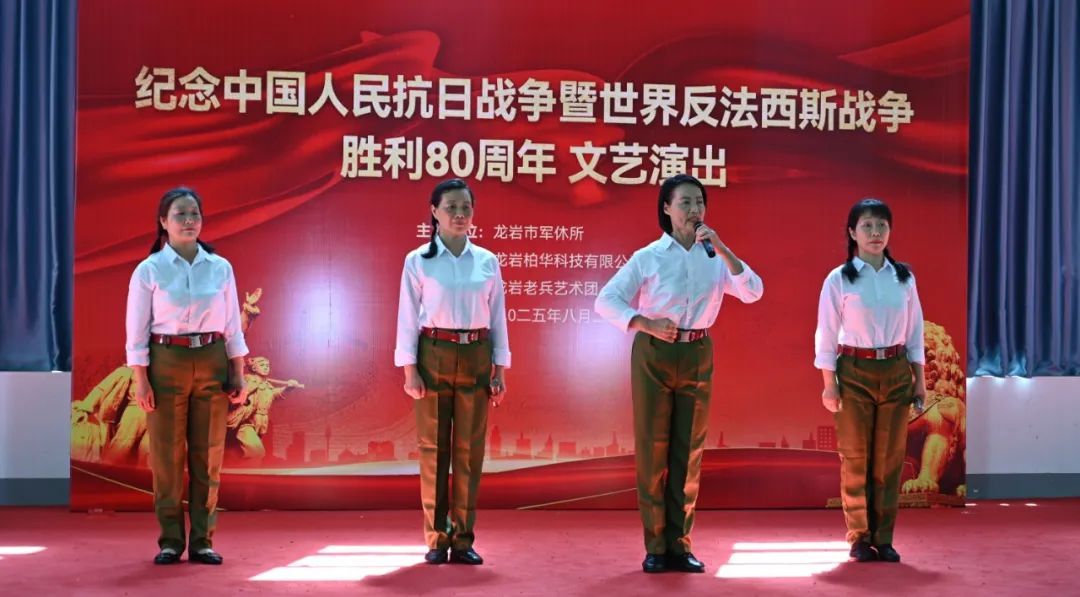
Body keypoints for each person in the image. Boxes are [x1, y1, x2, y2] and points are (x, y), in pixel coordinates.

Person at [595, 173, 763, 573]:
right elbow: (606, 300)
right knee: (653, 449)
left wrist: (723, 248)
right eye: (685, 202)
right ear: (667, 209)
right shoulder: (649, 256)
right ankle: (656, 545)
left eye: (699, 202)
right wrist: (645, 323)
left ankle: (680, 544)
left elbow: (753, 291)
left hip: (697, 352)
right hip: (654, 352)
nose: (694, 209)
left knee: (688, 451)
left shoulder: (714, 256)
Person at [125, 186, 249, 565]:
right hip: (166, 360)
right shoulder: (149, 270)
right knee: (166, 455)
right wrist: (141, 379)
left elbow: (232, 327)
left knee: (208, 453)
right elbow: (136, 332)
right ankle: (170, 540)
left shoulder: (220, 267)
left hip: (212, 358)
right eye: (180, 214)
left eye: (194, 214)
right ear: (163, 222)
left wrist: (238, 372)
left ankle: (202, 540)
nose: (189, 220)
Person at [394, 178, 510, 565]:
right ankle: (436, 537)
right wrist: (409, 370)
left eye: (466, 208)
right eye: (451, 208)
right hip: (434, 352)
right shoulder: (418, 260)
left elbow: (498, 317)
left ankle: (463, 539)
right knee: (433, 449)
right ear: (434, 212)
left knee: (469, 451)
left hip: (477, 353)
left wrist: (500, 369)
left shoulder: (487, 260)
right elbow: (407, 318)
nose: (460, 215)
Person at [814, 198, 926, 564]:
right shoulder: (839, 279)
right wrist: (829, 383)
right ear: (852, 232)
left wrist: (919, 380)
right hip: (853, 371)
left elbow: (915, 333)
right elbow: (826, 334)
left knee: (890, 458)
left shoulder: (903, 278)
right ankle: (860, 537)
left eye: (882, 225)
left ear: (890, 231)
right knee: (856, 456)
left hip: (895, 369)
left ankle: (885, 537)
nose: (875, 233)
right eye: (867, 225)